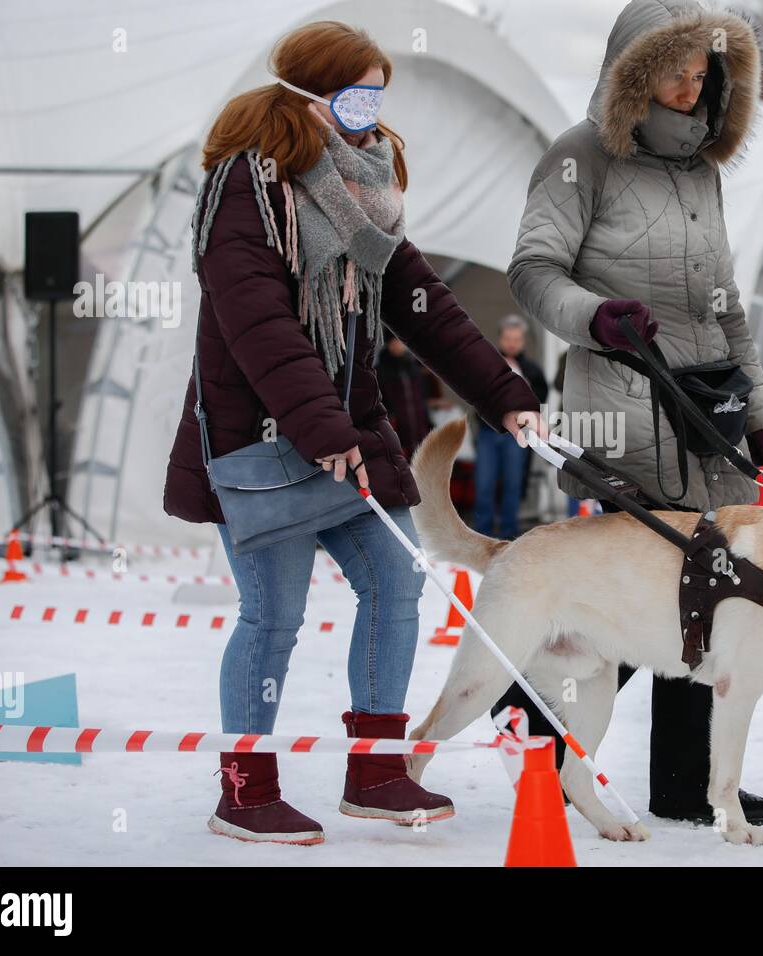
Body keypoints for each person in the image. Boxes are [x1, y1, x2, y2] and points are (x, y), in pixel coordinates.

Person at [162, 21, 542, 846]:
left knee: (396, 589)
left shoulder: (364, 197)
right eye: (357, 94)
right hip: (261, 440)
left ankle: (375, 771)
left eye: (379, 94)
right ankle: (244, 790)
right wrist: (319, 425)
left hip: (346, 436)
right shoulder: (248, 189)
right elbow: (256, 321)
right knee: (273, 617)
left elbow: (423, 305)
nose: (372, 113)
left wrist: (503, 394)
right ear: (310, 95)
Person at [499, 0, 763, 826]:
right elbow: (532, 269)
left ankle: (684, 784)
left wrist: (758, 409)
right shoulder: (579, 156)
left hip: (710, 413)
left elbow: (726, 306)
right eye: (675, 70)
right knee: (640, 589)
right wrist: (598, 315)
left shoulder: (704, 171)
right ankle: (529, 718)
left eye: (703, 73)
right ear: (634, 72)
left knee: (711, 593)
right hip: (622, 402)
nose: (692, 88)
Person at [471, 315, 549, 539]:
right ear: (500, 338)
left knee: (512, 484)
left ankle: (508, 534)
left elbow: (540, 398)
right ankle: (482, 534)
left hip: (517, 435)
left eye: (517, 339)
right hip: (488, 431)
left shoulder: (532, 369)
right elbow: (475, 393)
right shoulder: (488, 363)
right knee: (484, 483)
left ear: (523, 340)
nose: (512, 343)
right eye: (508, 338)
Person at [375, 335, 436, 459]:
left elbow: (421, 399)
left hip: (419, 430)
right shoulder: (380, 371)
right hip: (395, 432)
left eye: (401, 341)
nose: (399, 344)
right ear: (389, 343)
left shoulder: (414, 368)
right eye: (395, 341)